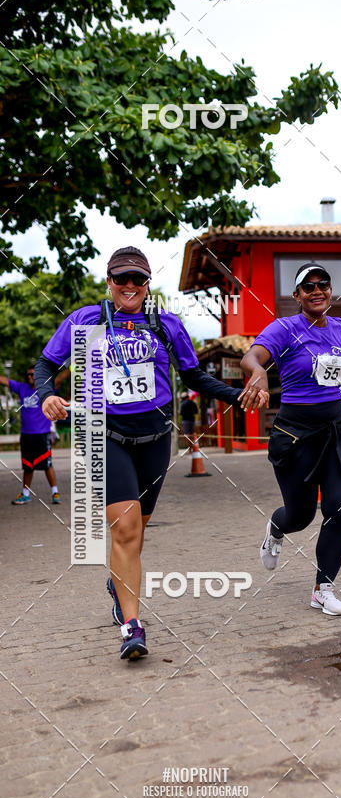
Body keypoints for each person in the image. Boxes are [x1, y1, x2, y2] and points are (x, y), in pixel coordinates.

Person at [35, 246, 265, 661]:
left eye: (137, 278)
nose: (129, 285)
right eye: (121, 278)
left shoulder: (166, 324)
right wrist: (47, 395)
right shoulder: (85, 321)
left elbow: (194, 376)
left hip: (156, 439)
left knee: (136, 532)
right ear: (109, 282)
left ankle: (118, 584)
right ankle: (132, 626)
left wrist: (237, 395)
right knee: (124, 529)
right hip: (105, 436)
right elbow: (45, 365)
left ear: (147, 283)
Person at [240, 262, 341, 616]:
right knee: (300, 515)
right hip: (295, 433)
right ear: (297, 295)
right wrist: (259, 373)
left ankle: (322, 589)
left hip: (337, 429)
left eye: (323, 284)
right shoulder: (284, 328)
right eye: (308, 286)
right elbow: (251, 356)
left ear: (330, 291)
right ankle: (276, 528)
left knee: (338, 508)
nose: (317, 290)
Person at [0, 366, 68, 505]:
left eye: (32, 374)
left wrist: (73, 366)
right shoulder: (22, 388)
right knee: (27, 466)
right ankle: (25, 494)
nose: (30, 377)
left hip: (42, 434)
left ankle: (55, 493)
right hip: (26, 435)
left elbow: (59, 379)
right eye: (28, 375)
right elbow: (5, 381)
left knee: (47, 465)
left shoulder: (45, 388)